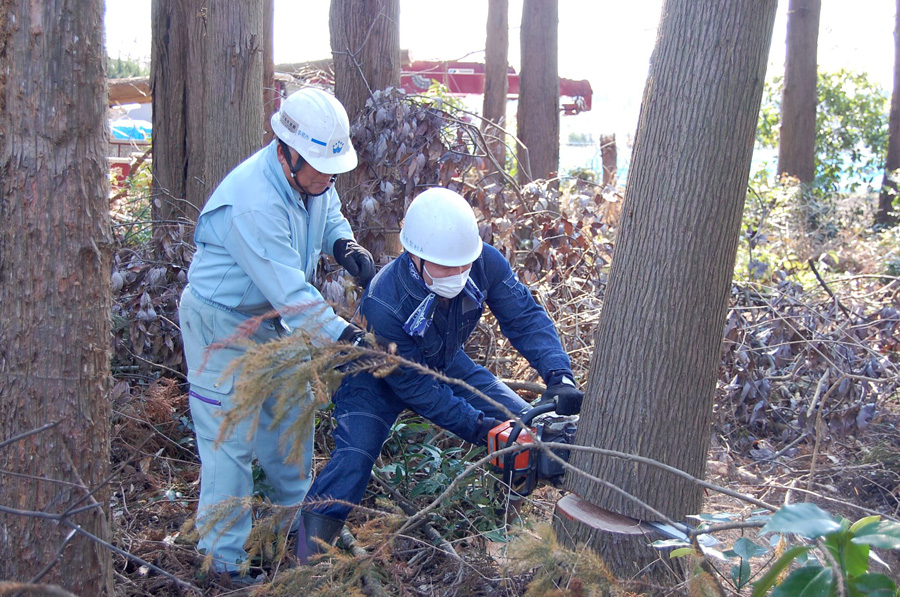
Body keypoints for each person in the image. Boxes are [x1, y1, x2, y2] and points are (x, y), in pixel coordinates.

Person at [296, 187, 583, 561]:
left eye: (463, 264)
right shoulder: (385, 301)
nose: (459, 274)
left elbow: (524, 317)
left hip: (444, 361)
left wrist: (558, 374)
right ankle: (306, 561)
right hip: (374, 378)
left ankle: (507, 531)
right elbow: (418, 388)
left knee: (521, 427)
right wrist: (479, 428)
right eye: (446, 266)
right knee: (353, 459)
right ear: (415, 255)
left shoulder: (483, 262)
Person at [179, 87, 375, 582]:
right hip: (219, 323)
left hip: (270, 319)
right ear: (287, 153)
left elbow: (326, 208)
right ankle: (222, 563)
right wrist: (345, 338)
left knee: (292, 416)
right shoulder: (253, 204)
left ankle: (298, 529)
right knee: (230, 442)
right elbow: (292, 292)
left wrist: (343, 242)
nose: (330, 178)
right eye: (321, 168)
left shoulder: (313, 175)